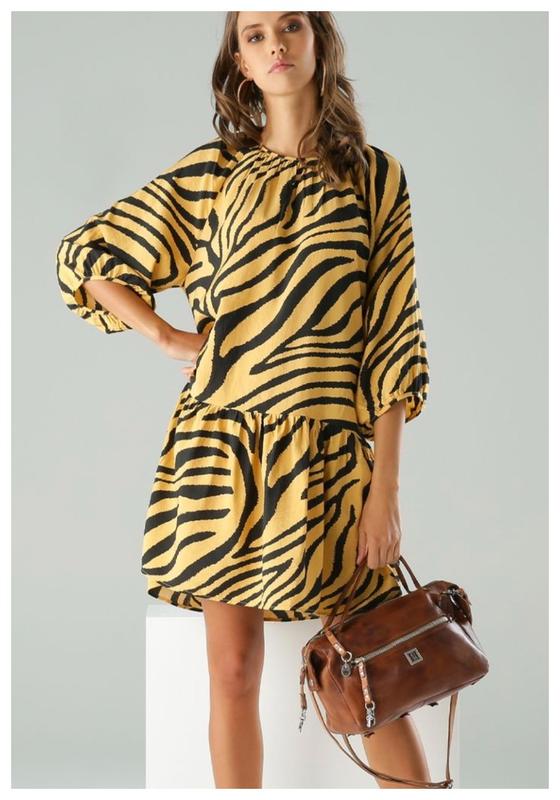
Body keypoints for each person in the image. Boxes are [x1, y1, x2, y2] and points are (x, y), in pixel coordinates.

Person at [55, 10, 431, 790]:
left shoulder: (376, 177)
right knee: (232, 672)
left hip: (329, 456)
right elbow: (86, 254)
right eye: (255, 35)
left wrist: (384, 490)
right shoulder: (213, 173)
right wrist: (166, 336)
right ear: (240, 60)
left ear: (319, 40)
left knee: (371, 674)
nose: (275, 44)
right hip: (220, 453)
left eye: (290, 26)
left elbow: (393, 338)